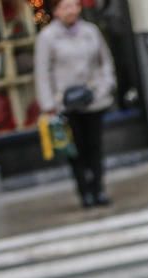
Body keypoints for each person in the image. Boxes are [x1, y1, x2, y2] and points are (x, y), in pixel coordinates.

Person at [34, 0, 116, 208]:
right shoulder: (47, 37)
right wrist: (49, 103)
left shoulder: (91, 31)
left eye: (74, 5)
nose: (71, 11)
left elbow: (105, 61)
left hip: (92, 98)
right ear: (56, 11)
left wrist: (105, 86)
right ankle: (84, 191)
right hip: (65, 103)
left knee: (95, 146)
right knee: (75, 149)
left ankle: (99, 188)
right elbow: (42, 73)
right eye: (65, 6)